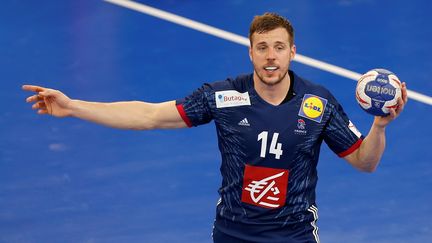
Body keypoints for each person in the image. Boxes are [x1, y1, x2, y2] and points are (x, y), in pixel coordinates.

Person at [23, 12, 407, 243]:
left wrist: (380, 126)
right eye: (262, 47)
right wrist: (75, 107)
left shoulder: (318, 103)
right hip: (233, 234)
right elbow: (149, 115)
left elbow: (364, 161)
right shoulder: (223, 96)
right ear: (250, 51)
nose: (270, 56)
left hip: (294, 236)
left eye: (278, 47)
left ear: (293, 52)